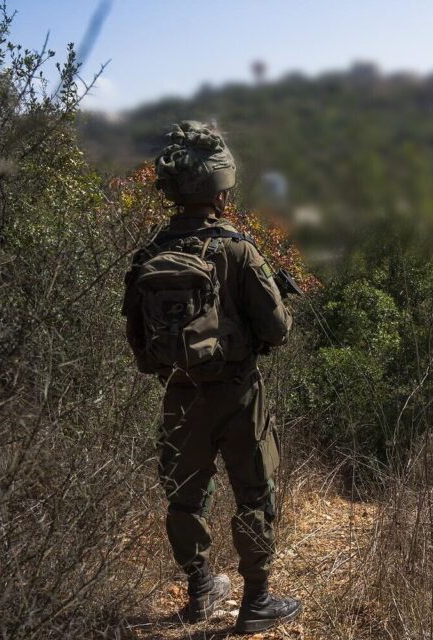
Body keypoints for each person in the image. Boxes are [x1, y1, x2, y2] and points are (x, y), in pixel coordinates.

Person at [121, 121, 299, 634]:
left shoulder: (150, 254)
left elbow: (138, 339)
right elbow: (277, 329)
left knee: (184, 496)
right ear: (221, 190)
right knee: (254, 495)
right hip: (239, 393)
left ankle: (201, 587)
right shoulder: (237, 249)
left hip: (179, 394)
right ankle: (257, 602)